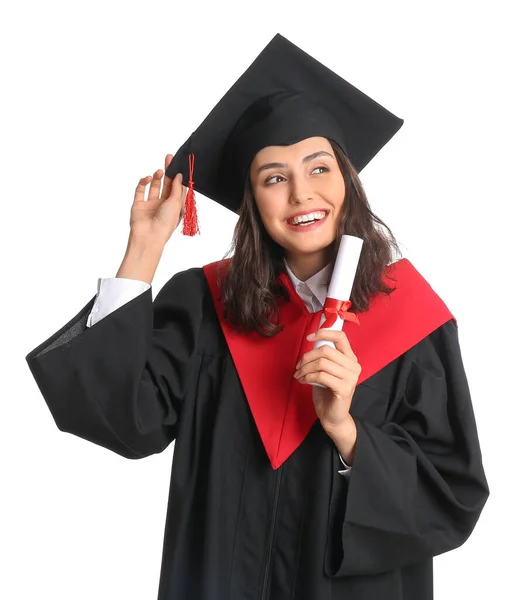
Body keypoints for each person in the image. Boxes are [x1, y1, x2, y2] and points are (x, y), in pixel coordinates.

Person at [25, 33, 489, 600]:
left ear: (347, 180)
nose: (301, 193)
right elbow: (120, 419)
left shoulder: (412, 316)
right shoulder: (205, 304)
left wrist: (347, 430)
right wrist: (143, 251)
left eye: (319, 168)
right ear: (252, 199)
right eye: (274, 177)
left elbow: (449, 497)